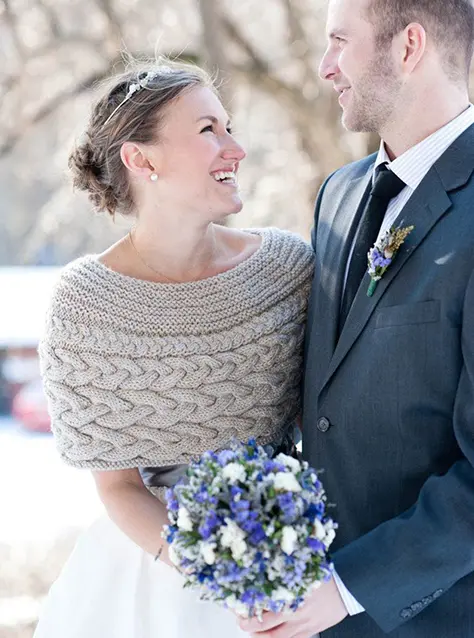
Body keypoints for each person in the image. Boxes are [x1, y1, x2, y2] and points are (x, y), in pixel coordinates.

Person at [33, 60, 314, 638]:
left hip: (289, 564)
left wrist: (273, 565)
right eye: (209, 130)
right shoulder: (84, 307)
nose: (235, 148)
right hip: (149, 582)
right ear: (142, 159)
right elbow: (118, 486)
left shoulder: (289, 270)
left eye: (229, 126)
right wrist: (208, 567)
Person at [239, 0, 474, 637]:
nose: (323, 67)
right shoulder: (338, 195)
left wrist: (347, 589)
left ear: (409, 46)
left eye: (340, 42)